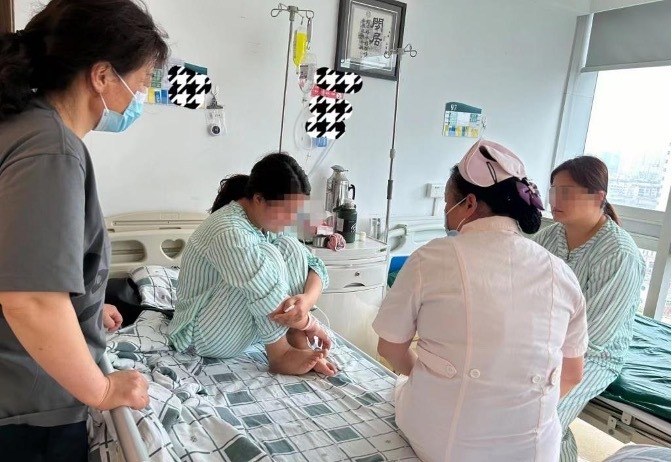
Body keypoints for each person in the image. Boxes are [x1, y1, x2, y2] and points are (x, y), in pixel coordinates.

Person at [0, 1, 169, 460]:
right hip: (29, 410)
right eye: (139, 84)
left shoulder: (22, 127)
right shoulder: (50, 148)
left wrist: (87, 311)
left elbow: (25, 263)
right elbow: (31, 300)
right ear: (102, 76)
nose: (138, 99)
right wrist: (103, 389)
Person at [373, 140, 589, 462]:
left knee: (404, 393)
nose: (445, 212)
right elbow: (572, 374)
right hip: (534, 450)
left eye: (448, 202)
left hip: (446, 444)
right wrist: (517, 413)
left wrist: (426, 380)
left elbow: (389, 346)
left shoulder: (431, 258)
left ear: (469, 203)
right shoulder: (561, 273)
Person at [169, 153, 337, 376]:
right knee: (268, 257)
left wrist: (306, 301)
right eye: (286, 211)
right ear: (259, 199)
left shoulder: (263, 223)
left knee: (291, 247)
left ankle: (296, 343)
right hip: (201, 336)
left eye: (296, 212)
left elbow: (314, 265)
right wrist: (310, 324)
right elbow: (265, 292)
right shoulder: (229, 231)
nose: (291, 219)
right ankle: (280, 355)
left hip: (239, 330)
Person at [533, 156, 645, 462]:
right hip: (546, 342)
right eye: (554, 190)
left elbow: (595, 336)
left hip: (595, 356)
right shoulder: (551, 236)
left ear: (598, 197)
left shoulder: (618, 254)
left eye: (566, 192)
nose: (555, 199)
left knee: (542, 418)